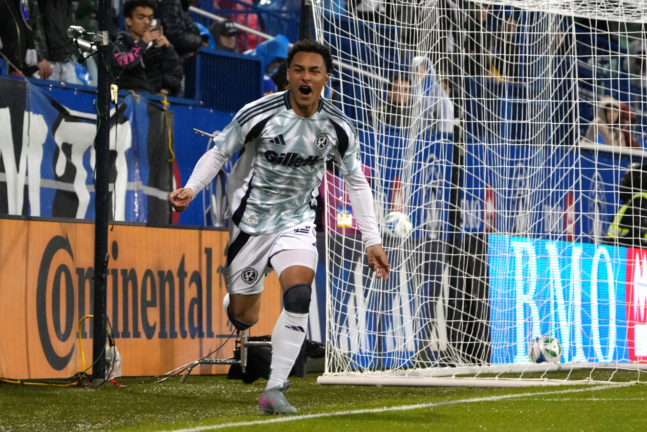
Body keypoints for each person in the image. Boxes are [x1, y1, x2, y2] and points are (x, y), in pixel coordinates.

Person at [168, 40, 390, 414]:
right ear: (288, 75)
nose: (306, 76)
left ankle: (274, 389)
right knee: (244, 316)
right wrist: (191, 188)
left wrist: (372, 239)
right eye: (299, 69)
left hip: (298, 221)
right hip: (250, 224)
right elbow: (219, 151)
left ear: (325, 79)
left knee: (299, 297)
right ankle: (234, 303)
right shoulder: (259, 113)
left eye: (314, 71)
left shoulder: (337, 126)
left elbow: (356, 181)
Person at [112, 0, 183, 95]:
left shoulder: (159, 47)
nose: (146, 22)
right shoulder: (120, 44)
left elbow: (176, 77)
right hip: (128, 104)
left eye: (150, 18)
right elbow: (125, 63)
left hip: (154, 106)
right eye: (141, 17)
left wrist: (168, 49)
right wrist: (143, 43)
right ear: (129, 20)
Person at [607, 162, 647, 249]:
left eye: (627, 177)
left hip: (631, 256)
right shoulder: (633, 200)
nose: (622, 181)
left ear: (638, 180)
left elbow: (636, 237)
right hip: (618, 253)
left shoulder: (641, 202)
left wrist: (617, 248)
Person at [33, 0, 80, 83]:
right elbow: (33, 26)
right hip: (47, 63)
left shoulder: (67, 4)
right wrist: (40, 57)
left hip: (67, 60)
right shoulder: (40, 4)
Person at [0, 0, 44, 77]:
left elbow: (24, 26)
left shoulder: (20, 4)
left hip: (18, 70)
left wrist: (30, 45)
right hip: (5, 69)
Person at [412, 56, 454, 135]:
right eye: (418, 69)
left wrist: (442, 136)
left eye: (424, 68)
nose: (421, 72)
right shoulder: (409, 88)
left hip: (431, 136)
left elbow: (445, 115)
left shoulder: (437, 91)